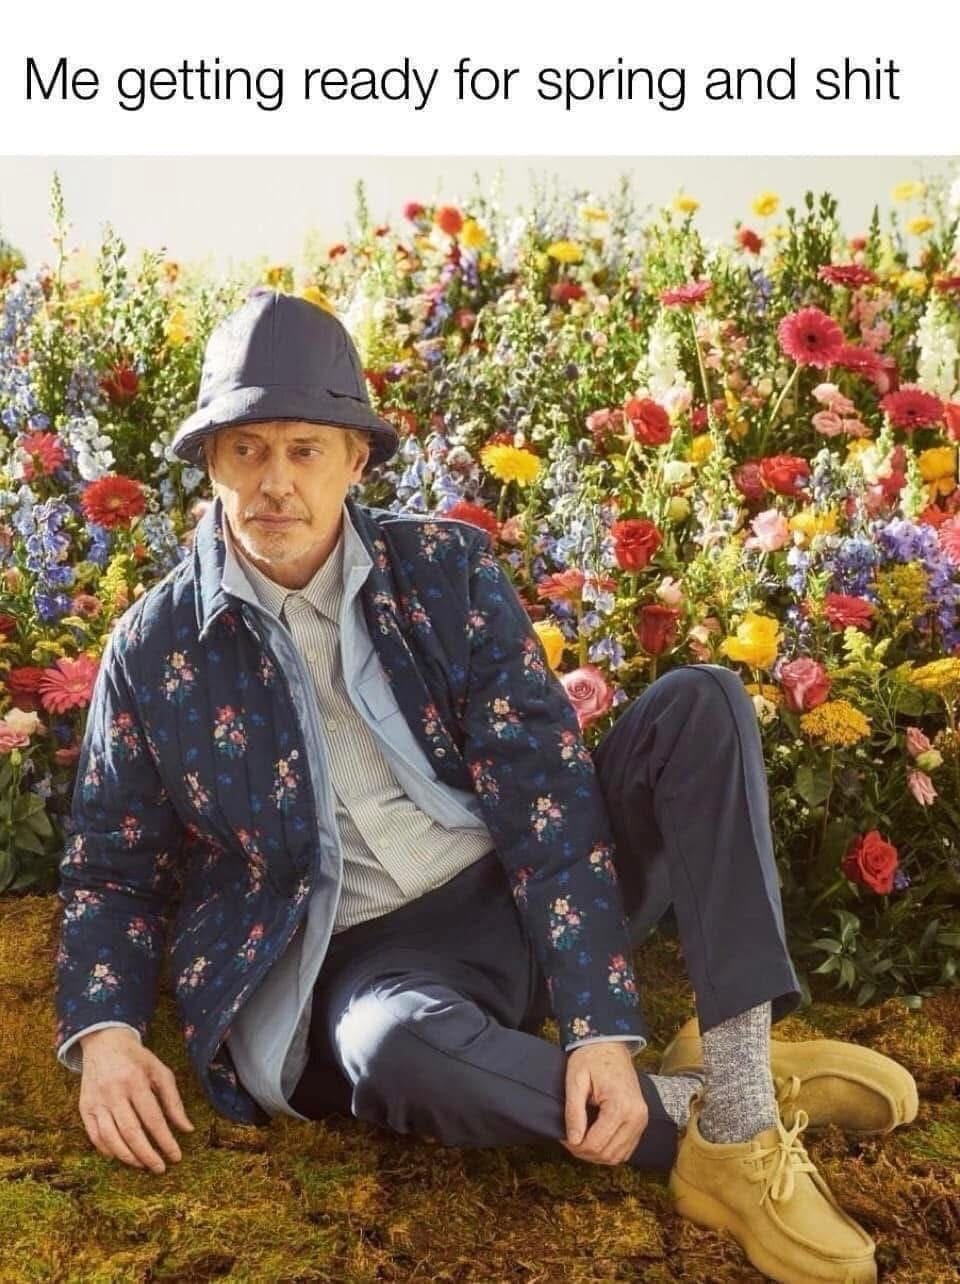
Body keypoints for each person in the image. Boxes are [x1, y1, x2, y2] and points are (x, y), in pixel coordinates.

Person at [54, 291, 917, 1284]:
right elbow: (112, 868)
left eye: (304, 449)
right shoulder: (154, 647)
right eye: (247, 450)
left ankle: (742, 1088)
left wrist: (596, 1023)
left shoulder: (443, 569)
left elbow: (543, 787)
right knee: (394, 1052)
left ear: (355, 459)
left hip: (518, 888)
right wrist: (107, 1036)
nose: (274, 483)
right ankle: (707, 1124)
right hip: (369, 966)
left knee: (703, 702)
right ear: (210, 462)